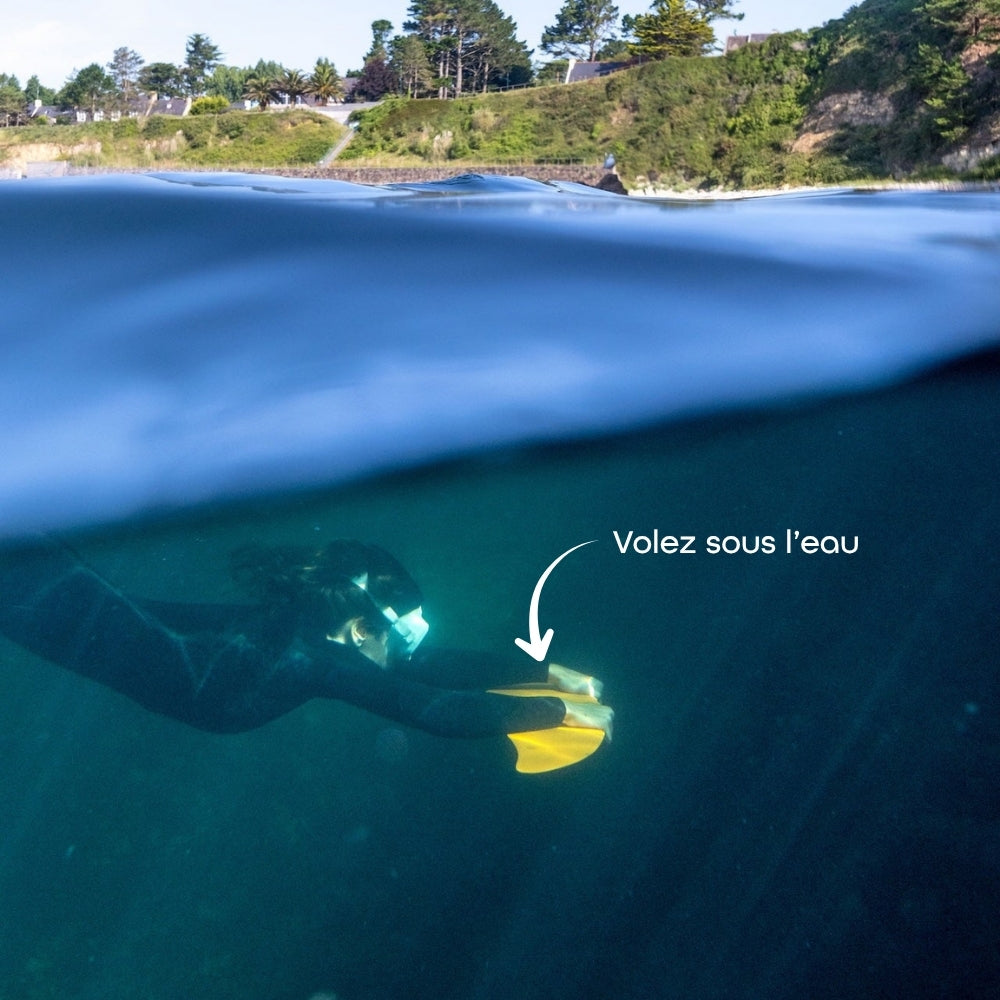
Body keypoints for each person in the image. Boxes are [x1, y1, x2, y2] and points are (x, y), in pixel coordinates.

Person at [0, 536, 613, 757]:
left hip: (84, 613)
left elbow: (428, 669)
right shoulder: (313, 659)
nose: (407, 653)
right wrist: (564, 712)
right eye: (395, 635)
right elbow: (432, 710)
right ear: (356, 628)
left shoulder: (304, 635)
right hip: (75, 616)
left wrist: (553, 674)